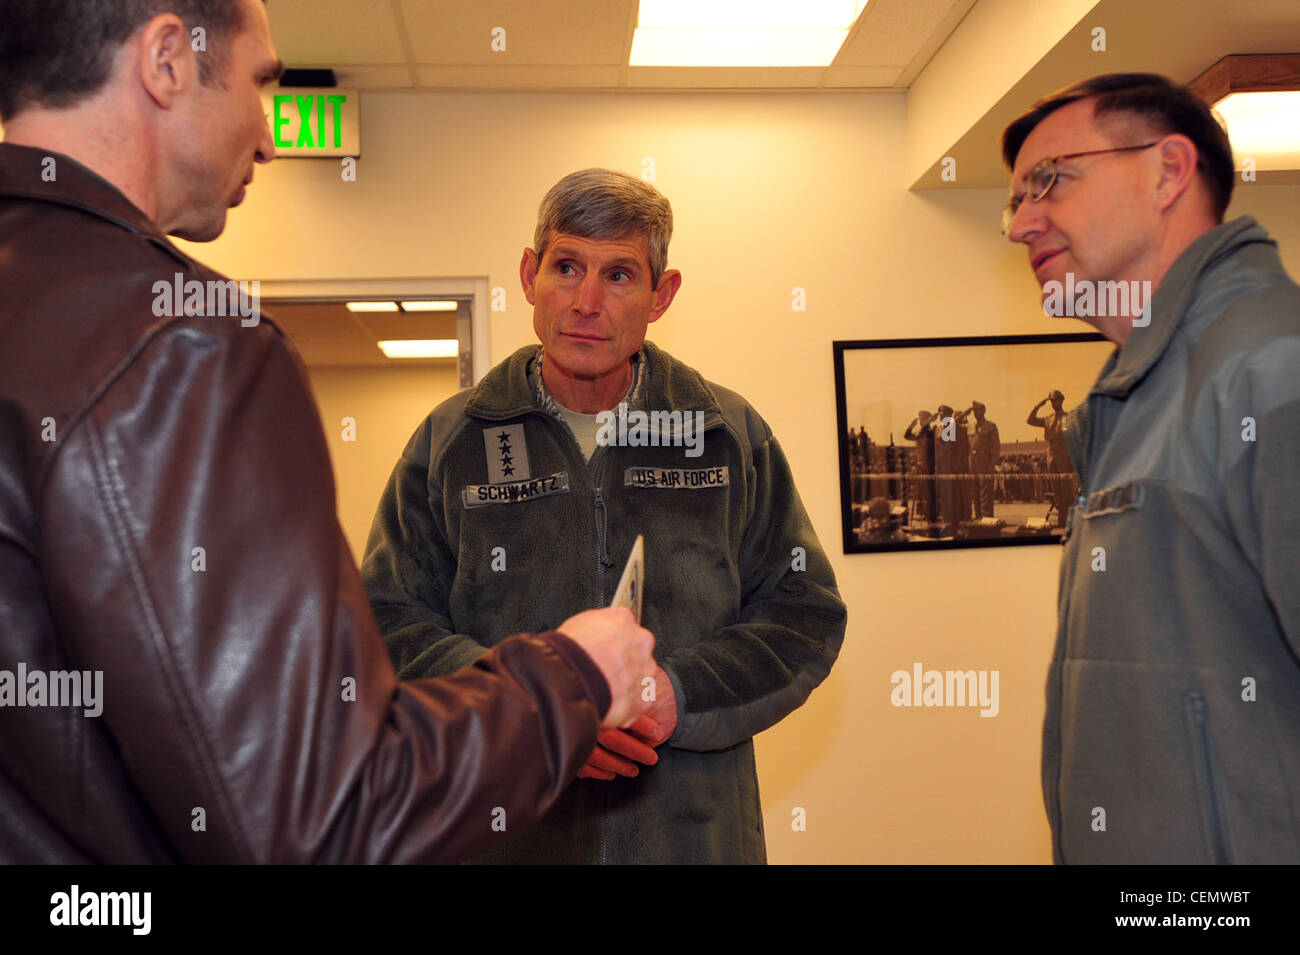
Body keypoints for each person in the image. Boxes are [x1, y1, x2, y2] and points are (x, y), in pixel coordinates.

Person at [0, 0, 657, 864]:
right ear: (167, 60)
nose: (269, 135)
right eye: (258, 81)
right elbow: (326, 815)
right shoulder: (184, 348)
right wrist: (572, 676)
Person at [362, 167, 847, 864]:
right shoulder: (452, 439)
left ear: (661, 294)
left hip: (693, 836)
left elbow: (805, 612)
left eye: (618, 275)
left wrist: (673, 694)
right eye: (566, 267)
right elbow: (385, 621)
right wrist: (535, 710)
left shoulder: (725, 433)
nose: (586, 301)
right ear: (529, 275)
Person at [1003, 72, 1300, 863]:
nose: (1020, 224)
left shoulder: (1271, 366)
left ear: (1168, 171)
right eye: (1015, 199)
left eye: (1050, 181)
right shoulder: (1140, 391)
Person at [1025, 390, 1072, 526]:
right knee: (1055, 488)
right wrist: (1037, 406)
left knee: (1066, 489)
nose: (1053, 403)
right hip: (1051, 452)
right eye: (1051, 401)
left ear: (1061, 401)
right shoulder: (1048, 418)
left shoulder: (1068, 417)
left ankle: (1065, 520)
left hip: (1063, 452)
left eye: (1056, 400)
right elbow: (1030, 420)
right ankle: (1061, 517)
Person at [903, 409, 936, 523]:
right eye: (920, 419)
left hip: (928, 465)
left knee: (928, 491)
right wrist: (911, 426)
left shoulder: (930, 432)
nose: (921, 421)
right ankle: (922, 513)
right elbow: (907, 436)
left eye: (922, 419)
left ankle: (929, 516)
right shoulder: (920, 433)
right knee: (921, 490)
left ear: (928, 420)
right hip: (920, 464)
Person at [969, 401, 1001, 517]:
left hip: (985, 461)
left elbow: (996, 447)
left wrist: (992, 464)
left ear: (983, 411)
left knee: (986, 492)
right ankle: (978, 518)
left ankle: (986, 518)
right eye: (973, 411)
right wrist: (964, 414)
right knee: (975, 492)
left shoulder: (990, 426)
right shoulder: (970, 427)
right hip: (973, 463)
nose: (975, 413)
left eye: (977, 410)